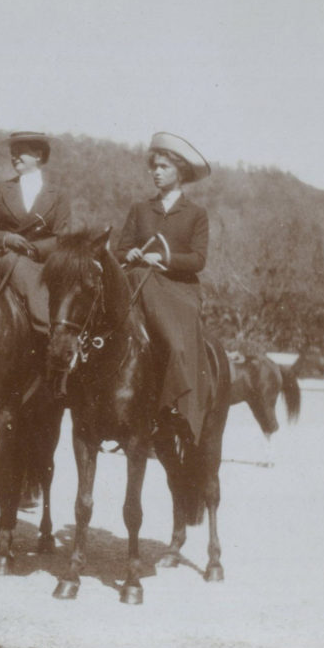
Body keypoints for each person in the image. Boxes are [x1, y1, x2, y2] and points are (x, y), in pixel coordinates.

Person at [114, 132, 213, 447]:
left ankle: (173, 411)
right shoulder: (140, 209)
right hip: (139, 283)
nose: (156, 172)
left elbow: (198, 259)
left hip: (177, 290)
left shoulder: (196, 214)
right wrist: (127, 254)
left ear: (179, 172)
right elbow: (120, 249)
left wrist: (165, 258)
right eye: (154, 166)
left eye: (164, 167)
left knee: (175, 344)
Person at [0, 132, 71, 332]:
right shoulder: (0, 189)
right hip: (7, 260)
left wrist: (34, 249)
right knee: (13, 262)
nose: (14, 156)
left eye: (21, 152)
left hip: (44, 263)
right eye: (12, 152)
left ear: (38, 154)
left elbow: (63, 237)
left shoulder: (58, 194)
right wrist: (7, 239)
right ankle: (47, 329)